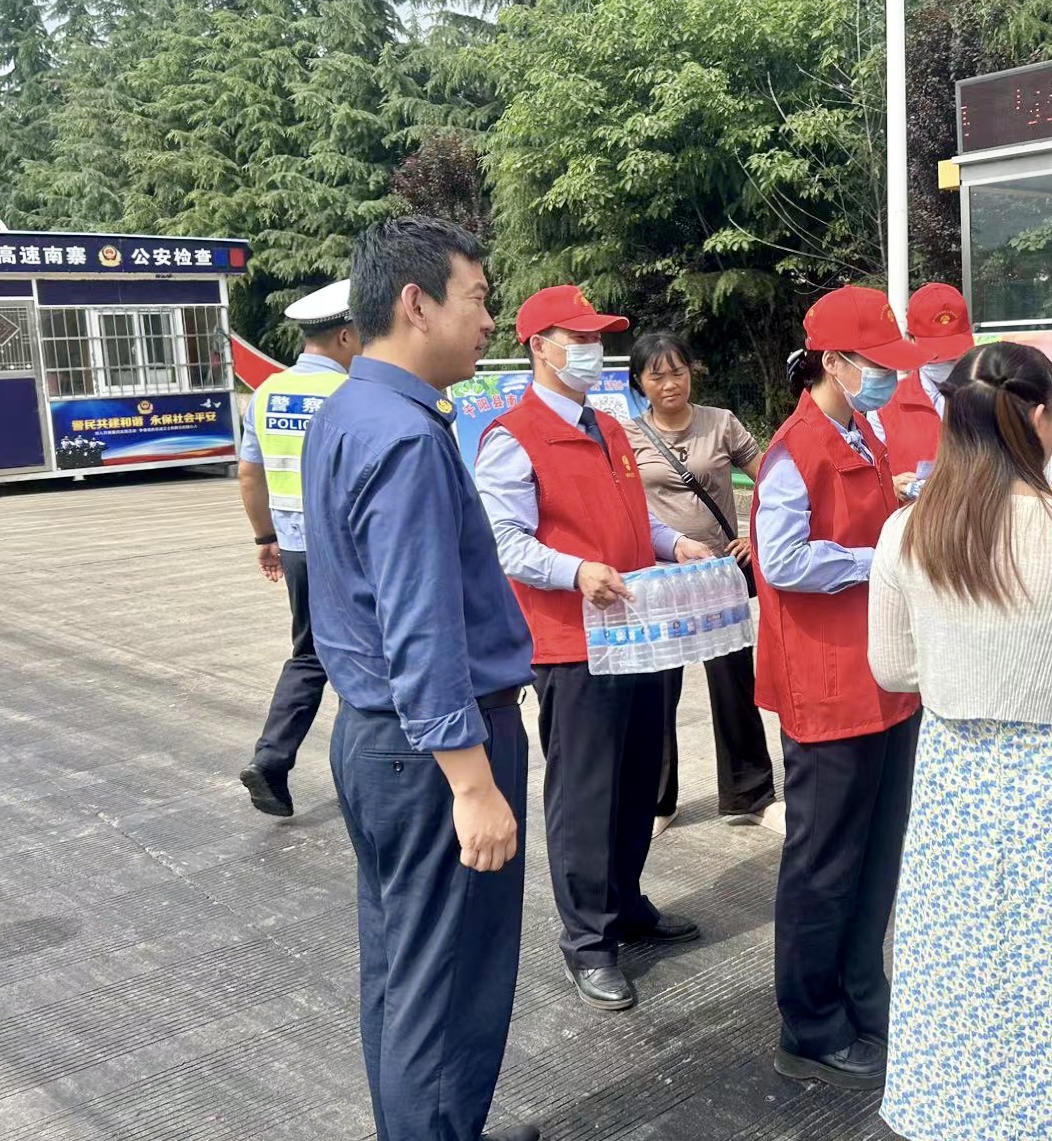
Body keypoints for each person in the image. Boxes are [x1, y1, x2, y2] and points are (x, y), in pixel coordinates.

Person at [868, 339, 1052, 1141]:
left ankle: (954, 1117)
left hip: (953, 777)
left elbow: (892, 667)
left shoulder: (906, 532)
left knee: (955, 971)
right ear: (1038, 416)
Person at [301, 216, 538, 1141]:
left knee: (405, 972)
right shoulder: (403, 437)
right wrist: (472, 784)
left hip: (380, 741)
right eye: (477, 299)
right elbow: (422, 629)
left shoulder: (348, 411)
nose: (489, 321)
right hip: (434, 746)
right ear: (417, 302)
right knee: (449, 985)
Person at [475, 286, 714, 1013]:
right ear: (538, 347)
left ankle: (625, 901)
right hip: (572, 642)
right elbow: (504, 540)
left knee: (638, 779)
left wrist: (673, 543)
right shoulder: (513, 436)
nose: (592, 350)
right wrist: (575, 571)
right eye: (577, 338)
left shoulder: (608, 426)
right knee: (585, 793)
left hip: (637, 630)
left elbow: (633, 519)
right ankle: (588, 941)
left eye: (596, 337)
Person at [752, 284, 926, 1091]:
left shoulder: (864, 431)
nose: (887, 377)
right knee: (824, 863)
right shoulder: (796, 450)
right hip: (828, 686)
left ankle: (864, 988)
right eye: (874, 363)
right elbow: (782, 559)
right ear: (832, 362)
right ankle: (810, 1021)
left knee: (877, 855)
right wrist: (877, 559)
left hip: (885, 677)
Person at [620, 329, 782, 839]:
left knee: (734, 685)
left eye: (678, 371)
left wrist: (755, 535)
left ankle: (751, 796)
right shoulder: (626, 436)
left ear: (692, 372)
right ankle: (656, 802)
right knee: (657, 691)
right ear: (639, 383)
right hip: (660, 583)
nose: (670, 383)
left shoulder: (721, 423)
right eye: (657, 375)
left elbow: (775, 480)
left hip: (718, 577)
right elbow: (621, 505)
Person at [237, 279, 357, 818]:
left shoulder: (266, 393)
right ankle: (370, 768)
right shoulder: (350, 394)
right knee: (367, 651)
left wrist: (266, 537)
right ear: (347, 336)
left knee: (309, 653)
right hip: (348, 548)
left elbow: (249, 474)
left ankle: (270, 759)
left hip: (296, 548)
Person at [867, 281, 975, 479]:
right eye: (935, 355)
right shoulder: (886, 406)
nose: (944, 362)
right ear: (910, 339)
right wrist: (893, 486)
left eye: (953, 355)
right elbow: (874, 478)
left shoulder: (991, 397)